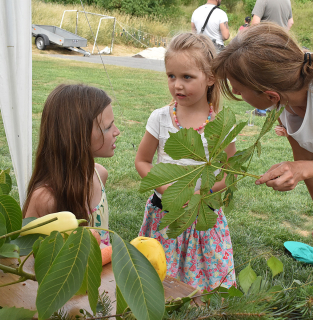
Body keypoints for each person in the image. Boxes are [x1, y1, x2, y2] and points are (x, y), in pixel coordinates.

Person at [213, 22, 313, 317]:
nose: (235, 91)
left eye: (239, 87)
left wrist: (300, 168)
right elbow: (307, 157)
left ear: (270, 95)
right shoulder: (286, 97)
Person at [135, 33, 236, 292]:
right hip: (164, 215)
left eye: (187, 77)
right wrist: (169, 191)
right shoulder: (160, 118)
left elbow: (229, 174)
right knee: (159, 283)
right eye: (171, 76)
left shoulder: (221, 124)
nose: (177, 85)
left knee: (203, 291)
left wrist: (199, 195)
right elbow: (143, 161)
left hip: (203, 217)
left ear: (211, 78)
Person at [23, 84, 120, 245]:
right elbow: (26, 257)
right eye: (108, 127)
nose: (117, 131)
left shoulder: (99, 175)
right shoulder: (45, 199)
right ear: (77, 136)